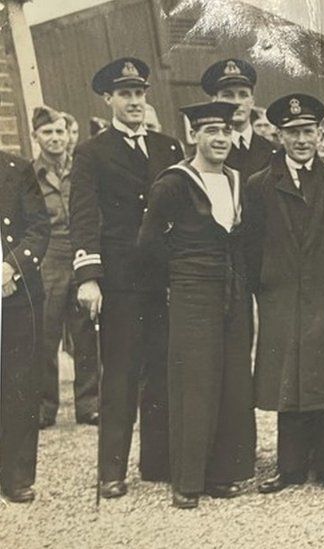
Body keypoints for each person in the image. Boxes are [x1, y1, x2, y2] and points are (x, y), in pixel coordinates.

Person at [71, 57, 184, 499]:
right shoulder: (91, 152)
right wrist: (88, 277)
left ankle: (157, 463)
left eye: (139, 94)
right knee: (119, 373)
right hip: (119, 282)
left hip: (163, 280)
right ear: (109, 99)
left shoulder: (168, 148)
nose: (134, 102)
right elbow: (83, 214)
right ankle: (111, 471)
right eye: (125, 95)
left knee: (161, 371)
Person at [137, 101, 256, 509]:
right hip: (192, 290)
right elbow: (148, 244)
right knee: (194, 383)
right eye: (210, 132)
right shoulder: (173, 183)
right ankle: (187, 480)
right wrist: (175, 282)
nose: (220, 139)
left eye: (225, 131)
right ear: (194, 136)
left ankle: (222, 474)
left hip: (232, 291)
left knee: (230, 378)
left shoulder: (237, 180)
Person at [246, 94, 324, 495]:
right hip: (282, 295)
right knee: (287, 378)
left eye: (308, 131)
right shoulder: (260, 185)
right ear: (279, 136)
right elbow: (251, 244)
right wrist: (266, 287)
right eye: (293, 133)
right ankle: (289, 468)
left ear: (320, 135)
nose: (302, 140)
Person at [31, 106, 99, 429]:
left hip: (81, 252)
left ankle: (89, 404)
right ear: (35, 137)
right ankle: (44, 407)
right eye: (47, 132)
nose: (55, 138)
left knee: (85, 330)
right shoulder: (28, 176)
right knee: (45, 333)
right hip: (48, 258)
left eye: (60, 131)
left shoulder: (82, 169)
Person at [0, 148, 50, 504]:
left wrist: (11, 267)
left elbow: (38, 227)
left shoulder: (17, 169)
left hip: (16, 293)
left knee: (18, 382)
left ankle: (16, 476)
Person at [201, 59, 277, 185]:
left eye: (243, 95)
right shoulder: (204, 153)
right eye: (228, 95)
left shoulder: (275, 151)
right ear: (215, 101)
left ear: (252, 101)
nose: (237, 102)